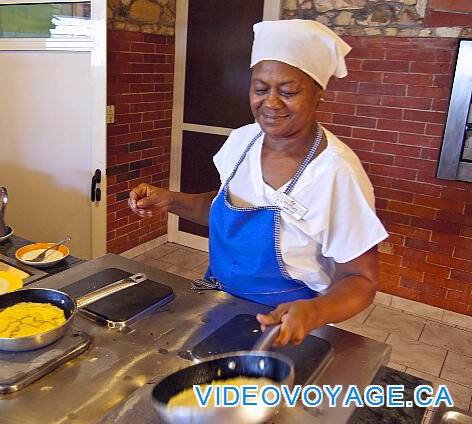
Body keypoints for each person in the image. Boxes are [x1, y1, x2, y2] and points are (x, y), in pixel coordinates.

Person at [128, 20, 388, 347]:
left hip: (288, 319)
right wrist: (170, 200)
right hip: (217, 296)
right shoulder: (242, 141)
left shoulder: (337, 173)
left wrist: (314, 312)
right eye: (260, 88)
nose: (271, 103)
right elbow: (227, 210)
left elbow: (360, 278)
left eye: (289, 91)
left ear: (319, 93)